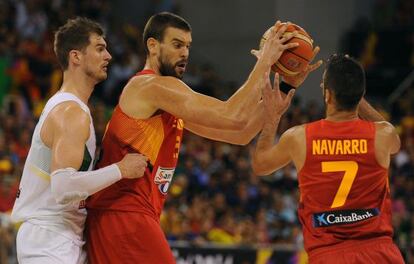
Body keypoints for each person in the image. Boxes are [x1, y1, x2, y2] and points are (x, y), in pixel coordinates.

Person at [85, 12, 321, 264]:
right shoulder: (150, 87)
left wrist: (287, 84)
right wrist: (264, 61)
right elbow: (233, 115)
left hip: (123, 216)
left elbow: (240, 133)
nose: (185, 53)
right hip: (123, 215)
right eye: (177, 45)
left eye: (188, 46)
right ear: (153, 46)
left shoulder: (167, 101)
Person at [11, 17, 148, 264]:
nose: (108, 56)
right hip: (48, 239)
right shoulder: (70, 113)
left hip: (61, 237)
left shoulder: (71, 107)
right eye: (99, 48)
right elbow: (63, 188)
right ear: (76, 57)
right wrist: (121, 169)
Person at [252, 54, 404, 263]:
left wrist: (272, 117)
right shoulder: (383, 135)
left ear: (328, 96)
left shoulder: (299, 138)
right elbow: (396, 141)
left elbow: (260, 164)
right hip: (379, 253)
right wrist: (355, 91)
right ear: (361, 94)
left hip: (328, 255)